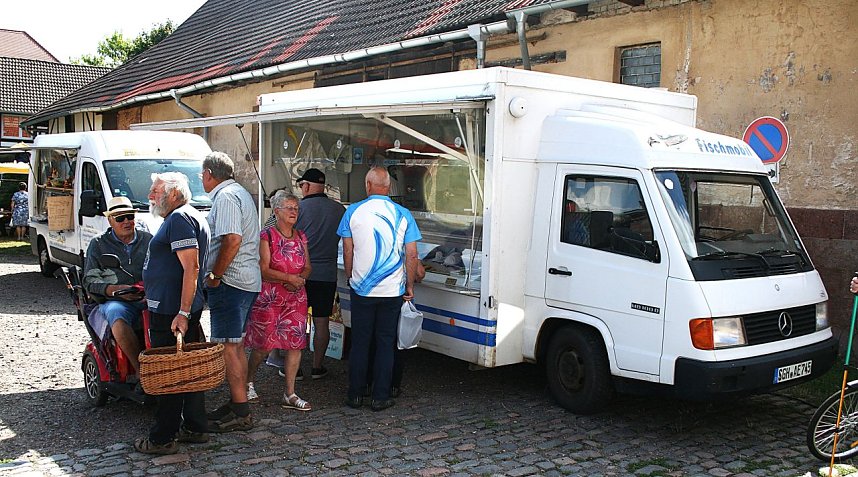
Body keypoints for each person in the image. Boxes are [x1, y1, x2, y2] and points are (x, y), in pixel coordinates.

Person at [135, 171, 210, 455]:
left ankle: (162, 438)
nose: (150, 196)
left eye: (155, 190)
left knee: (171, 374)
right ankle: (195, 426)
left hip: (171, 313)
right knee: (188, 371)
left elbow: (191, 267)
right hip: (173, 309)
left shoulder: (179, 219)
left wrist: (182, 311)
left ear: (174, 193)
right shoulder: (182, 217)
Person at [338, 166, 421, 411]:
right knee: (386, 342)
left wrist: (352, 275)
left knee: (360, 342)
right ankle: (380, 396)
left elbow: (347, 249)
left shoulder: (353, 211)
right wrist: (409, 285)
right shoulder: (403, 214)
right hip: (392, 291)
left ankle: (355, 394)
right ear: (389, 187)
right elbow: (412, 254)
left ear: (367, 185)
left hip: (362, 289)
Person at [201, 151, 261, 433]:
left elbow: (232, 239)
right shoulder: (240, 192)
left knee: (229, 346)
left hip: (232, 282)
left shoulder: (225, 197)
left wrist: (215, 275)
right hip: (245, 280)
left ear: (209, 174)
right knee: (235, 344)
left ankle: (240, 410)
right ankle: (237, 404)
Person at [244, 192, 313, 411]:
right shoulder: (267, 236)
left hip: (296, 297)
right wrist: (289, 278)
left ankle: (290, 393)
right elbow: (264, 269)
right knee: (263, 345)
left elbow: (308, 266)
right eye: (289, 208)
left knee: (295, 345)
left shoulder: (301, 236)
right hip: (271, 298)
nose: (294, 212)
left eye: (296, 208)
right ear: (277, 211)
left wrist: (300, 279)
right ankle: (248, 380)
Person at [82, 196, 151, 373]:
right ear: (110, 220)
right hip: (117, 301)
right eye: (120, 218)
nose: (126, 221)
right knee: (115, 312)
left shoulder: (148, 240)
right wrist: (114, 290)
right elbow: (89, 280)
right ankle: (141, 371)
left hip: (148, 297)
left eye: (130, 216)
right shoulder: (98, 244)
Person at [294, 168, 345, 380]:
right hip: (327, 274)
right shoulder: (339, 209)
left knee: (296, 320)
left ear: (306, 186)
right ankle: (317, 366)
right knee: (322, 321)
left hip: (300, 274)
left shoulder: (297, 208)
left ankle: (294, 369)